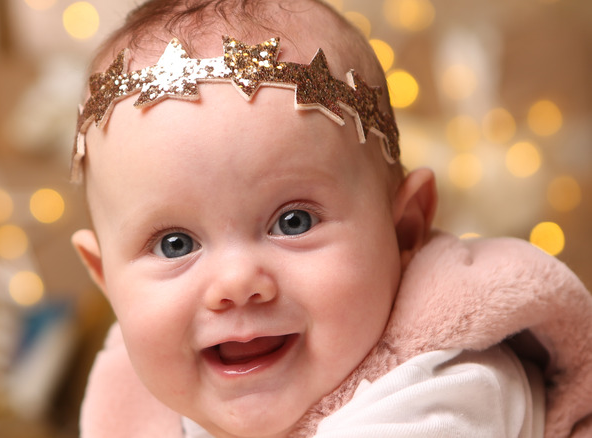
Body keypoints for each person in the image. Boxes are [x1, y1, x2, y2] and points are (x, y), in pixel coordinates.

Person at [69, 1, 592, 437]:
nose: (235, 284)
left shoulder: (444, 386)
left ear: (404, 228)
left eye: (293, 221)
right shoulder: (142, 403)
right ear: (105, 278)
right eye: (175, 245)